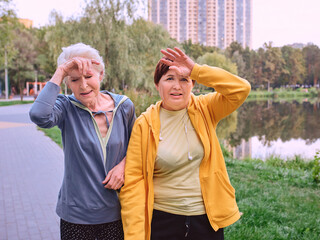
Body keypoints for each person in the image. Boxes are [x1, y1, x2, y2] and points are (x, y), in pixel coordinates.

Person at [119, 47, 251, 240]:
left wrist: (195, 69)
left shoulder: (206, 109)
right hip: (163, 220)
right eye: (169, 78)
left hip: (206, 221)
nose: (177, 86)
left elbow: (241, 89)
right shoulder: (144, 124)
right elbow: (133, 184)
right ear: (157, 84)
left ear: (192, 84)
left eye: (184, 79)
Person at [29, 43, 136, 240]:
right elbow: (39, 115)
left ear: (101, 75)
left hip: (117, 211)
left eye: (88, 76)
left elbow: (138, 147)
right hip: (76, 215)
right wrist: (60, 72)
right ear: (68, 83)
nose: (83, 85)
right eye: (75, 79)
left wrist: (124, 164)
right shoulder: (65, 107)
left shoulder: (124, 106)